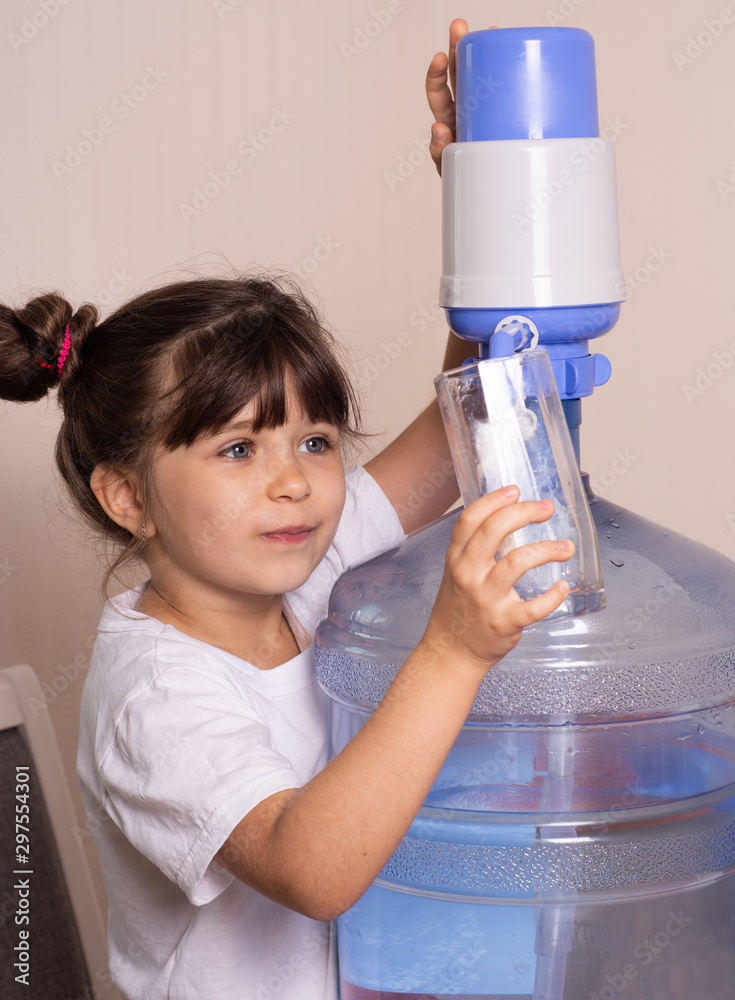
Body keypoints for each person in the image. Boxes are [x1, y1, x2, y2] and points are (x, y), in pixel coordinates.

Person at [0, 21, 573, 1000]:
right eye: (237, 448)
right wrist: (454, 649)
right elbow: (311, 867)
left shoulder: (299, 563)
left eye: (314, 440)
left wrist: (478, 192)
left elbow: (456, 432)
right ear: (127, 494)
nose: (294, 479)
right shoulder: (155, 696)